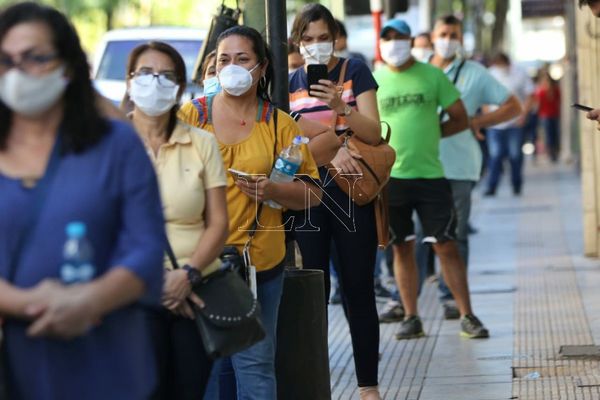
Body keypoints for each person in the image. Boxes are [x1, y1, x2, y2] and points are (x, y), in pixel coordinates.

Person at [0, 2, 165, 399]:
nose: (19, 72)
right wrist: (28, 304)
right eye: (6, 61)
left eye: (35, 58)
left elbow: (145, 248)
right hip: (14, 363)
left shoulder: (117, 145)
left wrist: (87, 301)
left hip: (106, 362)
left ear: (68, 67)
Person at [178, 25, 321, 399]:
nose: (232, 67)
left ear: (261, 67)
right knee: (207, 369)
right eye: (224, 59)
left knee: (255, 366)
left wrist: (273, 189)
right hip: (200, 265)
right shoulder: (192, 117)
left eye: (242, 59)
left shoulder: (279, 124)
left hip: (259, 264)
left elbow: (312, 194)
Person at [373, 18, 492, 341]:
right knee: (401, 248)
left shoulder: (432, 75)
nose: (394, 44)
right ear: (381, 44)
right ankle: (411, 316)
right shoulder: (375, 80)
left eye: (400, 38)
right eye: (389, 38)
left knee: (446, 245)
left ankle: (467, 313)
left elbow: (460, 117)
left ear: (412, 42)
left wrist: (433, 134)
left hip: (431, 175)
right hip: (391, 179)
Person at [124, 41, 228, 399]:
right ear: (128, 82)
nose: (155, 83)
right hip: (129, 295)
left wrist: (187, 276)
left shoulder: (202, 143)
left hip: (194, 293)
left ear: (181, 88)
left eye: (166, 75)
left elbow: (218, 224)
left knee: (189, 389)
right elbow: (102, 225)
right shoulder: (111, 146)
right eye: (145, 74)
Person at [289, 4, 382, 399]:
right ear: (296, 43)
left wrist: (342, 109)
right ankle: (316, 385)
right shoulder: (287, 81)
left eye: (322, 38)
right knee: (312, 292)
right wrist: (331, 144)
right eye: (307, 39)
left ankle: (368, 387)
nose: (316, 46)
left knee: (357, 289)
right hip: (306, 193)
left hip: (350, 190)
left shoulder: (355, 71)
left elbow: (375, 134)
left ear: (336, 39)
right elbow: (287, 139)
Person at [414, 14, 521, 321]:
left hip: (459, 165)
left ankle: (451, 296)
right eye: (443, 33)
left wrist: (476, 121)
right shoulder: (416, 72)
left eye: (454, 34)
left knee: (455, 233)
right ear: (433, 36)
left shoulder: (473, 73)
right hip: (418, 164)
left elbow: (514, 106)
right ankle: (406, 301)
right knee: (417, 233)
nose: (448, 39)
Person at [485, 52, 535, 196]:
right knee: (495, 156)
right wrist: (488, 115)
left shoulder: (519, 73)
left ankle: (516, 184)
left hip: (515, 123)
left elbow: (530, 95)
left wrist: (523, 115)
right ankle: (492, 186)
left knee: (515, 155)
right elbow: (483, 97)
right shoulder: (490, 74)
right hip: (495, 124)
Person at [534, 70, 561, 162]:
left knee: (551, 134)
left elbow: (538, 104)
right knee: (551, 134)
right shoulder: (545, 90)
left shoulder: (542, 91)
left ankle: (552, 152)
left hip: (548, 115)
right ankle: (552, 152)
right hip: (548, 115)